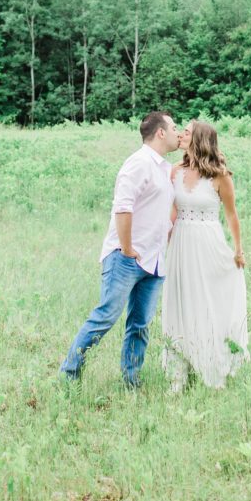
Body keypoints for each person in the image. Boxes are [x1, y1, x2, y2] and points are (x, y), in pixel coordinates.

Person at [59, 111, 179, 388]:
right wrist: (126, 248)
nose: (177, 132)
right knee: (105, 317)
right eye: (174, 127)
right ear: (160, 132)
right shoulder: (138, 163)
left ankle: (131, 380)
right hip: (127, 257)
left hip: (155, 260)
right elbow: (122, 207)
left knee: (140, 325)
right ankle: (69, 374)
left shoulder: (163, 167)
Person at [162, 119, 248, 390]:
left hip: (208, 244)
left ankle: (212, 366)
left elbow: (232, 215)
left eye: (186, 132)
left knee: (207, 302)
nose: (180, 135)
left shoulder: (219, 176)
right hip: (180, 245)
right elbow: (172, 212)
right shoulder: (175, 171)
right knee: (180, 300)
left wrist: (238, 249)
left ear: (198, 139)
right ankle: (179, 374)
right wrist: (162, 241)